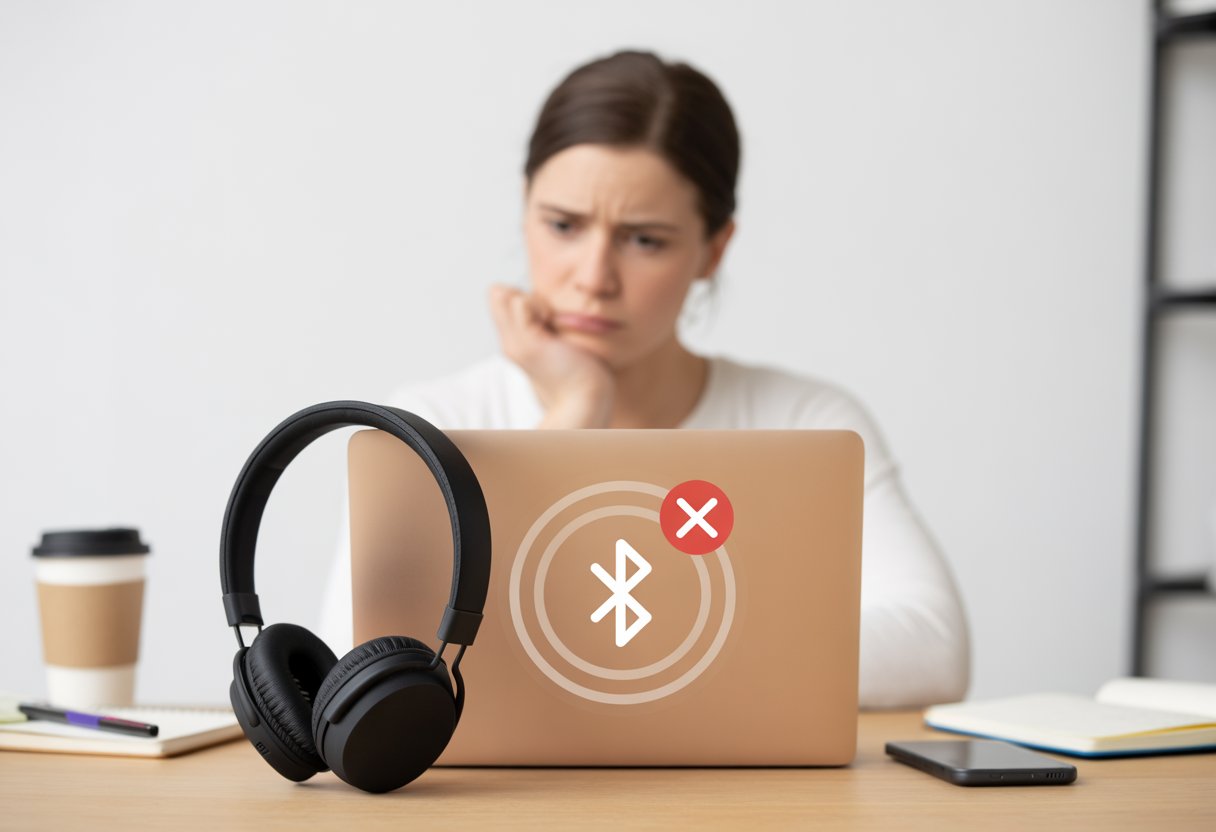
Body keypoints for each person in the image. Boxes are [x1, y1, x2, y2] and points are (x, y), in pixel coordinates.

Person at [319, 49, 969, 708]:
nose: (594, 277)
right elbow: (362, 666)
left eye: (644, 240)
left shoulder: (806, 421)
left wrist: (629, 663)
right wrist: (575, 411)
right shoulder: (432, 419)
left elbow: (934, 648)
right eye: (563, 226)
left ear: (714, 250)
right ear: (524, 209)